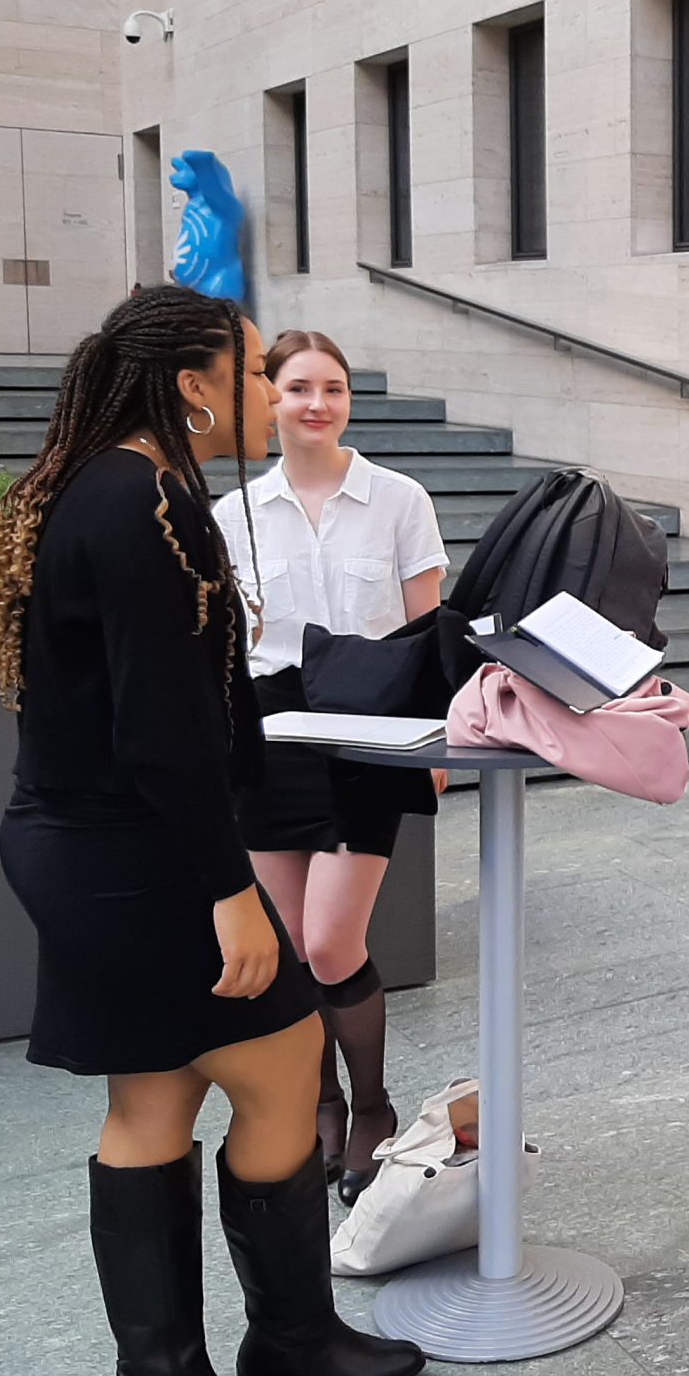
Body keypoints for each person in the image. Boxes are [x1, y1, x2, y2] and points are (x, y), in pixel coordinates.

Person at [0, 287, 424, 1376]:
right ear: (192, 384)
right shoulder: (148, 499)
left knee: (153, 1101)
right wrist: (231, 892)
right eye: (253, 369)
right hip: (136, 855)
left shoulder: (100, 483)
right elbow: (160, 728)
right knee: (281, 1063)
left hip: (81, 846)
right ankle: (292, 1338)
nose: (267, 388)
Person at [213, 329, 448, 1206]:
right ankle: (322, 1102)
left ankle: (373, 1105)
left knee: (329, 941)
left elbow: (427, 632)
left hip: (369, 732)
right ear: (269, 396)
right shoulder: (233, 512)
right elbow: (225, 645)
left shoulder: (399, 499)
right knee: (285, 946)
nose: (318, 403)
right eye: (300, 387)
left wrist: (437, 741)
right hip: (268, 731)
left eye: (335, 388)